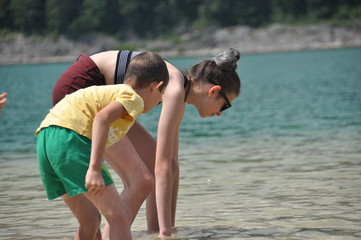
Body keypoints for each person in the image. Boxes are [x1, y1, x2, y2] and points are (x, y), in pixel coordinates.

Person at [52, 48, 241, 238]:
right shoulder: (175, 89)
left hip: (106, 102)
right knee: (140, 180)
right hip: (78, 93)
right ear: (214, 91)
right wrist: (166, 235)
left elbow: (170, 165)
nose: (220, 113)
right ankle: (118, 232)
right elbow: (161, 167)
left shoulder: (178, 89)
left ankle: (153, 231)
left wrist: (168, 229)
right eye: (225, 105)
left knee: (162, 170)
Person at [36, 52, 169, 240]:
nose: (159, 103)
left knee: (90, 221)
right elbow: (102, 119)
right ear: (157, 87)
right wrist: (94, 168)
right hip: (69, 138)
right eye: (161, 98)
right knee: (120, 215)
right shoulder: (133, 98)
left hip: (46, 139)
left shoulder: (111, 93)